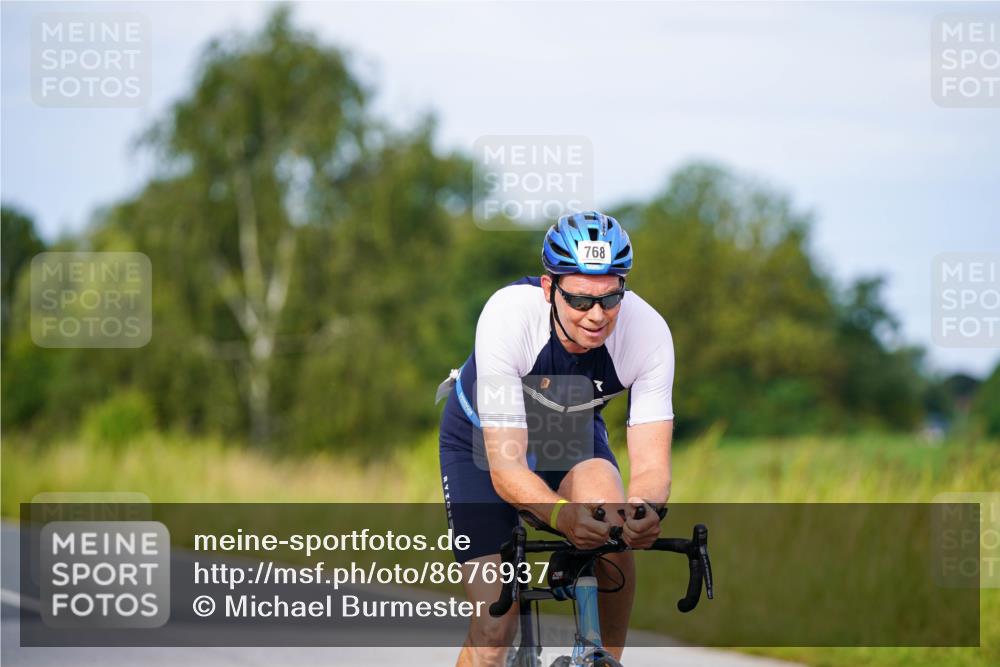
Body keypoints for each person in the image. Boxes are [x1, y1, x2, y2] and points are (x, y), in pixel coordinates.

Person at [437, 210, 674, 666]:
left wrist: (643, 510)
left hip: (568, 431)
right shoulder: (508, 316)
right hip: (481, 440)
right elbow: (506, 468)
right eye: (580, 301)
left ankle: (605, 658)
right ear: (549, 288)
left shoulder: (648, 334)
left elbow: (652, 466)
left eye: (610, 298)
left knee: (613, 523)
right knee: (494, 625)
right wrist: (563, 516)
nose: (597, 316)